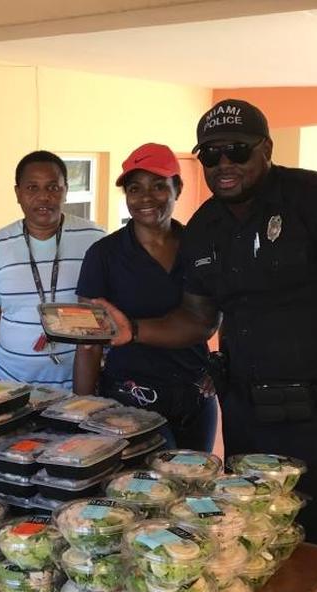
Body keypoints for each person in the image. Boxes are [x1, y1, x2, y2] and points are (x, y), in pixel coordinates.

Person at [95, 99, 317, 592]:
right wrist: (134, 331)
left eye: (237, 150)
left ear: (266, 148)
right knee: (258, 557)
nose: (223, 163)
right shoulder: (205, 227)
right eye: (211, 154)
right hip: (248, 421)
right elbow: (196, 319)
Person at [73, 143, 217, 450]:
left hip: (195, 398)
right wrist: (82, 414)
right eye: (134, 189)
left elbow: (228, 307)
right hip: (131, 401)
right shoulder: (104, 255)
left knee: (195, 490)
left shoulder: (201, 247)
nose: (146, 198)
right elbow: (89, 343)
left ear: (177, 187)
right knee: (143, 493)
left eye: (158, 186)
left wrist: (223, 363)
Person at [0, 151, 105, 387]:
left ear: (66, 190)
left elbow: (105, 317)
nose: (44, 197)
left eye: (53, 187)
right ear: (18, 193)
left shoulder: (96, 241)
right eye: (32, 188)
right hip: (12, 387)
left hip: (79, 389)